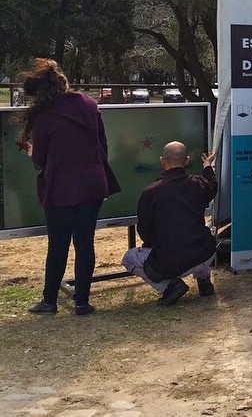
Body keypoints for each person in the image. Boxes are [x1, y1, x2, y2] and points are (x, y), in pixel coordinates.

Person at [19, 58, 120, 316]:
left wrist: (30, 150)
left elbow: (40, 161)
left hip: (60, 187)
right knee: (85, 242)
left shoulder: (44, 115)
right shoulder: (89, 104)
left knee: (58, 244)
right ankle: (82, 302)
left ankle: (49, 301)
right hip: (92, 183)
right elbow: (102, 145)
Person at [122, 142, 217, 306]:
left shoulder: (150, 193)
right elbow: (212, 186)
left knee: (129, 257)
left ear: (162, 161)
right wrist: (207, 166)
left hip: (173, 262)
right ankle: (204, 282)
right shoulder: (198, 183)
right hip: (206, 254)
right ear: (186, 161)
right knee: (200, 233)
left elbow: (144, 231)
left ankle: (171, 286)